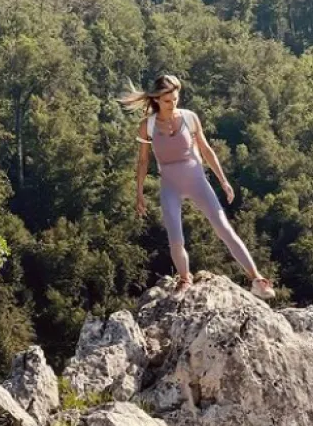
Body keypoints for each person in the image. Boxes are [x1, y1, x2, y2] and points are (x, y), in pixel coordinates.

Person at [118, 74, 275, 298]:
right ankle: (184, 279)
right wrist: (139, 194)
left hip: (196, 180)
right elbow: (143, 161)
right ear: (156, 101)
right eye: (167, 101)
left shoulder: (190, 118)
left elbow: (206, 149)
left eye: (175, 99)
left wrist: (223, 180)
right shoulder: (148, 126)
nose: (172, 104)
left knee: (224, 228)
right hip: (169, 185)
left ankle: (257, 279)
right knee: (175, 239)